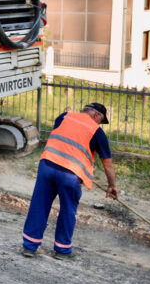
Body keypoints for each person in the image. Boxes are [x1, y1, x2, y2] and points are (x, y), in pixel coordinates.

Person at [22, 102, 118, 259]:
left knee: (39, 206)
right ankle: (62, 250)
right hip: (70, 175)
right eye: (101, 121)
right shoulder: (97, 132)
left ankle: (29, 246)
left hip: (47, 166)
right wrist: (112, 186)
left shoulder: (63, 117)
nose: (100, 124)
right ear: (96, 115)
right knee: (67, 211)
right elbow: (108, 165)